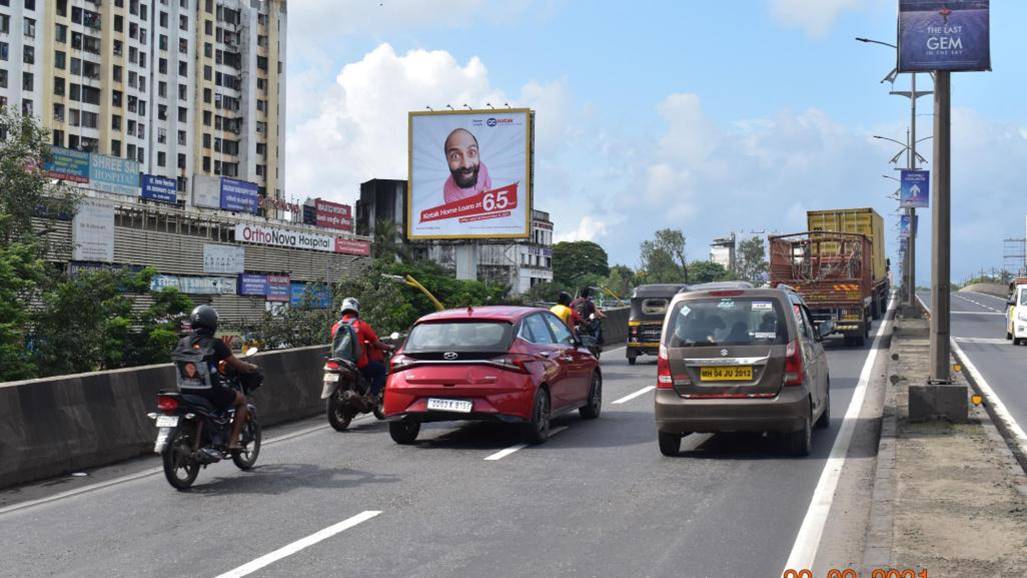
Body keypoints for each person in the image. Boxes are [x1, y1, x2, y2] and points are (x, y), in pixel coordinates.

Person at [176, 305, 257, 451]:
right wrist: (250, 367)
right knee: (242, 401)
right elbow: (237, 364)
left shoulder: (183, 342)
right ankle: (232, 442)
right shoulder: (216, 344)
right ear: (212, 323)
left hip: (186, 391)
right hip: (210, 392)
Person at [331, 298, 394, 399]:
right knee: (381, 369)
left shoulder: (335, 327)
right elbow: (376, 342)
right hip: (359, 364)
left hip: (340, 362)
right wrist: (388, 347)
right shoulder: (361, 325)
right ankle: (372, 396)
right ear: (356, 309)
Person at [442, 128, 492, 204]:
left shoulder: (482, 167)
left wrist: (487, 191)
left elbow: (487, 183)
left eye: (471, 152)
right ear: (447, 160)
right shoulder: (450, 194)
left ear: (478, 154)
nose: (466, 165)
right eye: (455, 156)